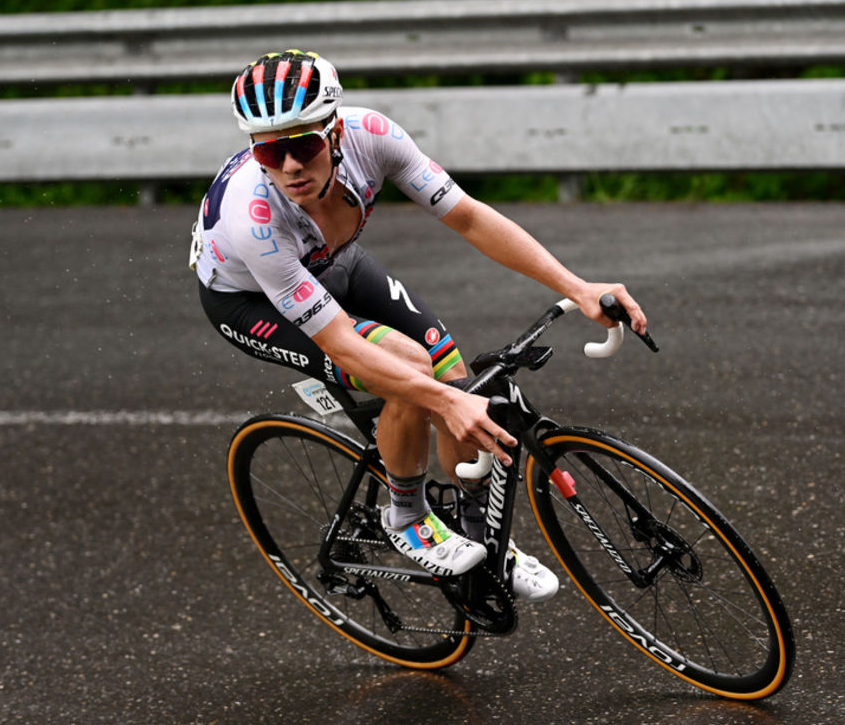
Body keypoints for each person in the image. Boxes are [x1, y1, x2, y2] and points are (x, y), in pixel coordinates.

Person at [191, 49, 648, 601]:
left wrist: (576, 286)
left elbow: (469, 217)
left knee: (455, 375)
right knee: (408, 370)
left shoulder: (375, 136)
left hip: (333, 261)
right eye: (269, 150)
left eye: (304, 145)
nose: (290, 166)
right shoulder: (255, 218)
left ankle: (480, 537)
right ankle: (405, 514)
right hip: (249, 300)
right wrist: (438, 400)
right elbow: (341, 343)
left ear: (335, 131)